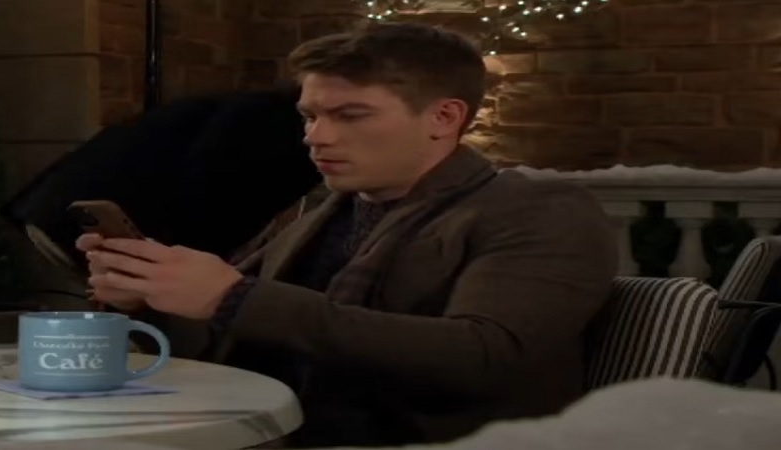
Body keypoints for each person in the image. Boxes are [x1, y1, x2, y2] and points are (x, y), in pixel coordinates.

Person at [77, 22, 619, 448]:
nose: (316, 137)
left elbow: (483, 357)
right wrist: (153, 295)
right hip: (274, 428)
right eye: (310, 116)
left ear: (444, 117)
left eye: (350, 115)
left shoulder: (536, 208)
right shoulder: (322, 210)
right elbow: (237, 334)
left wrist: (232, 296)